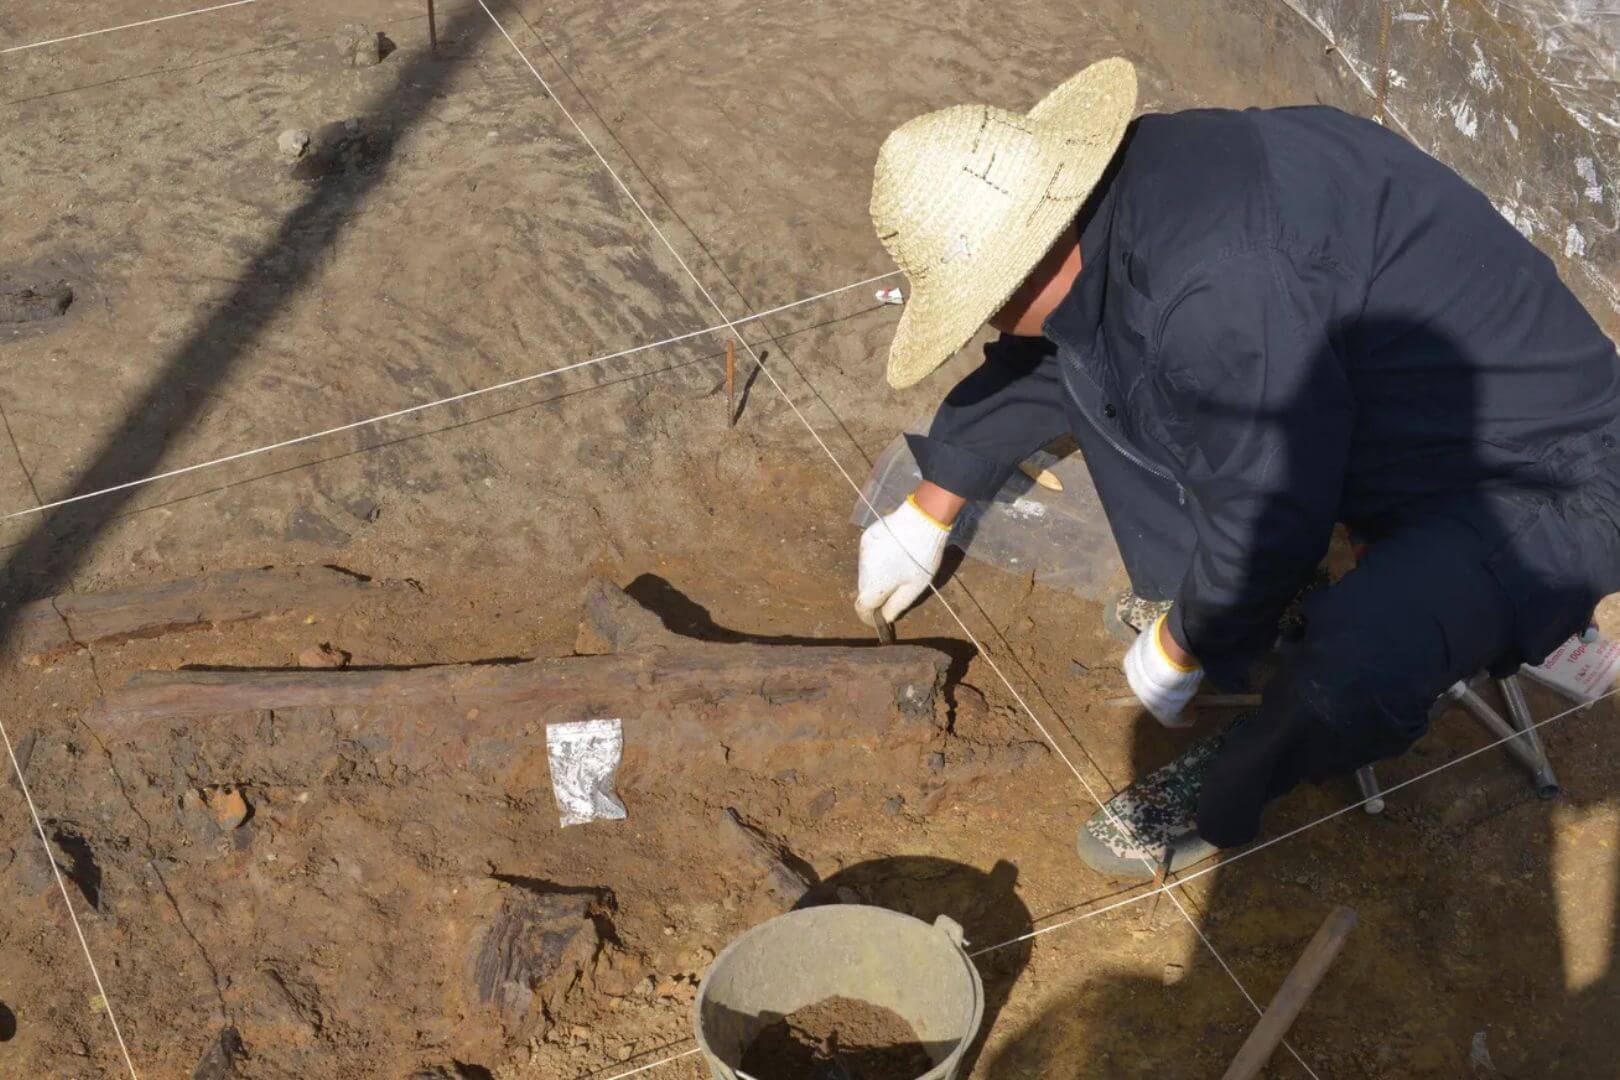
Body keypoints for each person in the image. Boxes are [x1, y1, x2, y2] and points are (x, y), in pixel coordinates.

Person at [854, 58, 1620, 877]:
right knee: (1099, 371)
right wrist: (930, 506)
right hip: (1382, 420)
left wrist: (1183, 643)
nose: (989, 324)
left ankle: (1234, 777)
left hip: (1549, 477)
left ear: (1033, 248)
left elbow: (1273, 506)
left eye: (982, 302)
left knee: (1357, 662)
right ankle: (1240, 613)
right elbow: (1063, 351)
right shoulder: (1130, 193)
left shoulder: (1218, 286)